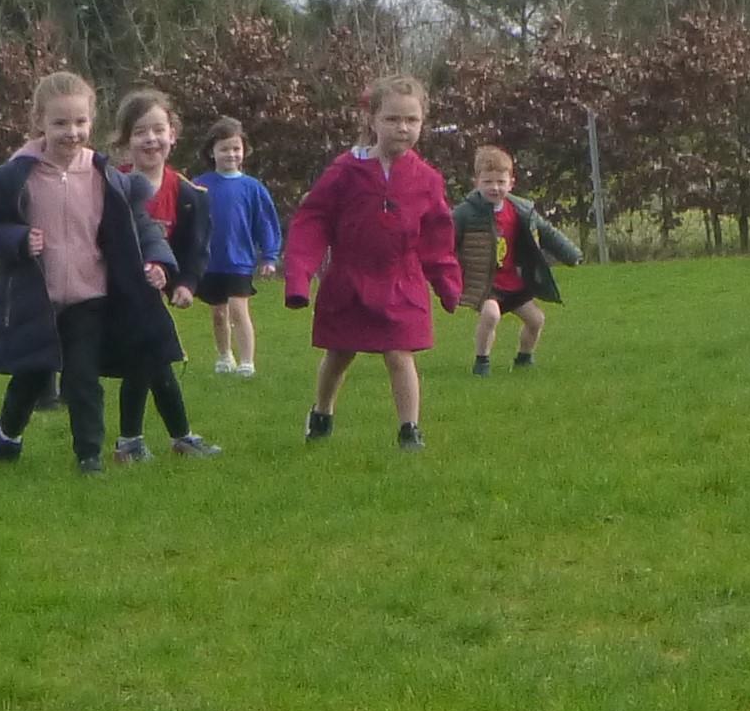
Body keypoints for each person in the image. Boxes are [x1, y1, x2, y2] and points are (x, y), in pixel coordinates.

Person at [0, 70, 175, 476]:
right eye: (60, 123)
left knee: (84, 378)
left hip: (88, 295)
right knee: (31, 378)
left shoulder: (104, 176)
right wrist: (16, 239)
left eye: (81, 122)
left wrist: (157, 261)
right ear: (39, 122)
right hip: (37, 297)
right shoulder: (17, 175)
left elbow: (140, 224)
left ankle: (89, 458)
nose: (72, 132)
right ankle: (8, 431)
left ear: (92, 121)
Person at [284, 73, 462, 450]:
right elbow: (312, 220)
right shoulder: (345, 171)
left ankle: (409, 429)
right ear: (373, 120)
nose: (403, 128)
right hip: (349, 281)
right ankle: (322, 411)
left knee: (399, 353)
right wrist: (299, 277)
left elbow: (437, 235)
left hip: (401, 280)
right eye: (392, 119)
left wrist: (446, 282)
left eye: (412, 120)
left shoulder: (427, 180)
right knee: (339, 353)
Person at [105, 90, 222, 463]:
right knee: (150, 357)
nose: (151, 139)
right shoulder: (110, 187)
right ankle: (145, 441)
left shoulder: (190, 194)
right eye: (140, 131)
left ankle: (151, 441)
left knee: (152, 361)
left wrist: (184, 284)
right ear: (125, 139)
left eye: (158, 130)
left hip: (153, 294)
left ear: (173, 134)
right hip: (115, 294)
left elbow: (195, 249)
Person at [453, 145, 581, 375]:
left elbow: (547, 232)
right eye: (488, 182)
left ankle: (524, 358)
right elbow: (444, 241)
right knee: (491, 315)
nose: (495, 187)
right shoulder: (465, 213)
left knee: (536, 320)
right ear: (476, 182)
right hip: (484, 282)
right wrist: (441, 269)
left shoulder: (521, 210)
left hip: (512, 281)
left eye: (500, 182)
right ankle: (482, 361)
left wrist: (571, 254)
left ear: (511, 183)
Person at [198, 115, 284, 376]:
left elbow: (266, 222)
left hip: (240, 260)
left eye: (236, 148)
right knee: (218, 314)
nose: (231, 154)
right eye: (224, 149)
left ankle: (247, 361)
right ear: (212, 152)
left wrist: (269, 256)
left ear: (244, 150)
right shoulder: (200, 186)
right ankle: (225, 355)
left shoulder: (252, 188)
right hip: (211, 262)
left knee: (238, 310)